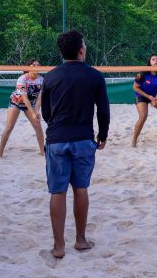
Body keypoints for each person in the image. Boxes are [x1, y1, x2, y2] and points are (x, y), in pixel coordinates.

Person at [40, 30, 110, 259]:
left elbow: (46, 113)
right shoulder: (94, 76)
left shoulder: (50, 77)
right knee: (81, 188)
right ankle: (80, 240)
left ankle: (58, 246)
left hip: (57, 138)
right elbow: (103, 111)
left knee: (57, 191)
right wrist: (103, 136)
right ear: (81, 50)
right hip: (83, 138)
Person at [0, 59, 45, 157]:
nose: (37, 66)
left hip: (31, 103)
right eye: (34, 64)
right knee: (9, 127)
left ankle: (42, 152)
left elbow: (39, 98)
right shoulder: (22, 79)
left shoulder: (41, 80)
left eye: (38, 64)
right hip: (16, 102)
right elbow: (24, 98)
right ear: (28, 68)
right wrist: (32, 112)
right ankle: (0, 153)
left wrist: (36, 111)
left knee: (38, 126)